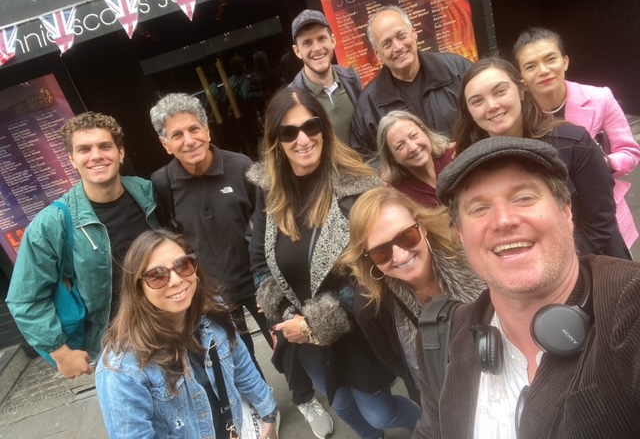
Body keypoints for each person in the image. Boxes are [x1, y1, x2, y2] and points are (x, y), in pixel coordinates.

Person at [412, 136, 640, 438]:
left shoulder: (630, 305)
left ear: (566, 210)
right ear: (461, 234)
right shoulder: (441, 342)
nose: (504, 220)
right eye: (479, 208)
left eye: (524, 198)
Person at [247, 87, 421, 439]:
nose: (303, 139)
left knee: (380, 413)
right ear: (276, 141)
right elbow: (258, 259)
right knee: (341, 406)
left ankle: (436, 428)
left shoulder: (358, 189)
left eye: (310, 126)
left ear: (324, 128)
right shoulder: (270, 190)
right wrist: (288, 316)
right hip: (299, 331)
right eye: (289, 132)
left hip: (355, 326)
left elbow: (374, 273)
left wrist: (314, 324)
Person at [6, 112, 158, 378]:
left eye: (105, 146)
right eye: (84, 149)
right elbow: (25, 298)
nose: (96, 156)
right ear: (72, 159)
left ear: (121, 153)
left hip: (169, 327)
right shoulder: (51, 224)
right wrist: (60, 352)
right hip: (117, 351)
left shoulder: (148, 193)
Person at [96, 229, 278, 439]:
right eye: (157, 276)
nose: (175, 280)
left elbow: (241, 364)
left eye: (182, 265)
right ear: (138, 288)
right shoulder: (122, 369)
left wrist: (268, 411)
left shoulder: (213, 310)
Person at [452, 56, 629, 259]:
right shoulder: (469, 167)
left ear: (521, 90)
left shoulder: (574, 144)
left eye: (500, 91)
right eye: (477, 101)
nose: (491, 105)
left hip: (590, 263)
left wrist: (552, 263)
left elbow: (599, 223)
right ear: (469, 111)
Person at [149, 92, 272, 375]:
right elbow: (169, 240)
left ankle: (303, 395)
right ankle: (259, 399)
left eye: (194, 129)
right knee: (238, 360)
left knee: (285, 344)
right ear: (165, 144)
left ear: (207, 130)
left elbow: (265, 221)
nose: (189, 140)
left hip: (256, 279)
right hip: (209, 291)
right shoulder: (162, 183)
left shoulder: (240, 166)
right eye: (177, 135)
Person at [340, 187, 484, 403]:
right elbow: (391, 358)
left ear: (422, 227)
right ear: (369, 259)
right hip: (440, 395)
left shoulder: (469, 252)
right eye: (381, 252)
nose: (400, 256)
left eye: (406, 237)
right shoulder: (370, 307)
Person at [513, 26, 640, 249]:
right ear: (521, 78)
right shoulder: (518, 115)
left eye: (550, 59)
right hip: (549, 221)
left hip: (605, 214)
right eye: (530, 66)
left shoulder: (600, 98)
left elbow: (630, 152)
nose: (543, 70)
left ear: (565, 62)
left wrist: (605, 162)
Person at [352, 4, 472, 162]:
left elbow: (484, 115)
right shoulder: (368, 105)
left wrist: (467, 146)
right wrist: (399, 171)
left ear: (414, 33)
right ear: (377, 54)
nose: (398, 47)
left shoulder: (458, 69)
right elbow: (365, 160)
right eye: (387, 44)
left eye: (401, 35)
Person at [290, 9, 363, 144]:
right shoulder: (292, 99)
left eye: (321, 38)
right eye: (307, 43)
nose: (317, 48)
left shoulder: (352, 79)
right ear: (298, 51)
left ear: (332, 40)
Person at [376, 110, 455, 207]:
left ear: (424, 131)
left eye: (414, 136)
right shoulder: (397, 195)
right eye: (400, 146)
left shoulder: (455, 155)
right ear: (392, 157)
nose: (413, 147)